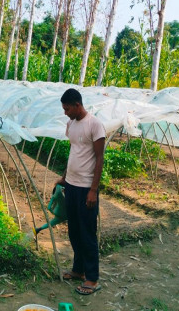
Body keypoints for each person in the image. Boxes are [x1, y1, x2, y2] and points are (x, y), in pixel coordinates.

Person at [57, 88, 105, 296]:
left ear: (77, 105)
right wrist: (64, 177)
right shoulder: (71, 124)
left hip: (86, 187)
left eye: (67, 109)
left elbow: (99, 159)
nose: (65, 113)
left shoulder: (94, 125)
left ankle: (92, 278)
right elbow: (74, 152)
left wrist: (93, 190)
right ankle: (78, 270)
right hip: (72, 185)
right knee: (74, 231)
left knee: (87, 233)